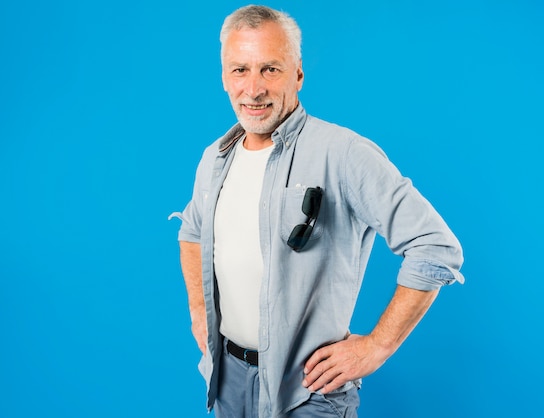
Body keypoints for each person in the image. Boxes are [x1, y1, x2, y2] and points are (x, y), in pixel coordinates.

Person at [171, 5, 464, 417]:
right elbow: (193, 231)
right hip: (227, 381)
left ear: (298, 74)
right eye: (240, 70)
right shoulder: (215, 160)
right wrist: (199, 312)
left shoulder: (343, 154)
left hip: (308, 393)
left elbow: (436, 247)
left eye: (270, 69)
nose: (253, 89)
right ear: (223, 76)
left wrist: (377, 346)